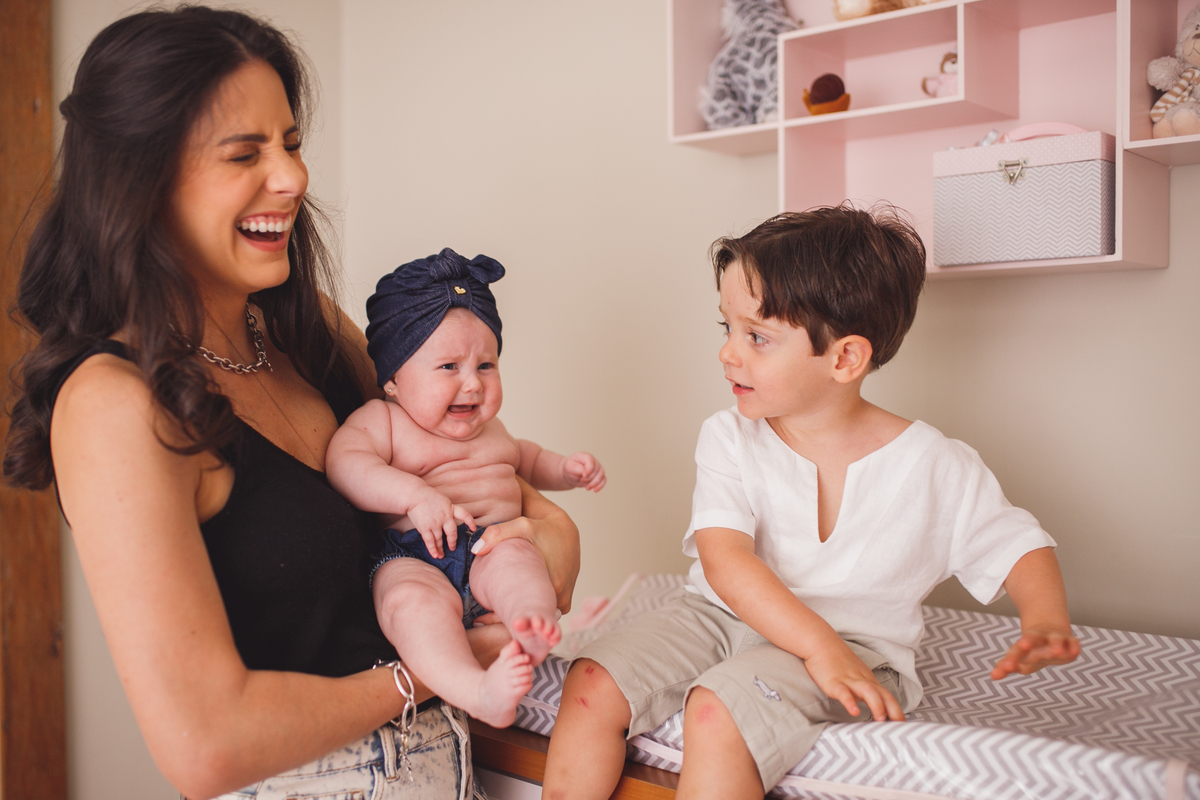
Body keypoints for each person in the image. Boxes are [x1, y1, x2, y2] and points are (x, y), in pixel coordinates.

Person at [1, 7, 579, 799]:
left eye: (291, 142)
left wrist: (527, 558)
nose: (293, 178)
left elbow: (548, 529)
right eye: (246, 153)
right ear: (140, 180)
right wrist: (430, 672)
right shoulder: (114, 404)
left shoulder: (305, 334)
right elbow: (207, 746)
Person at [540, 206, 1082, 800]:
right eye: (727, 328)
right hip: (719, 615)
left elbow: (1016, 545)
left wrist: (1046, 620)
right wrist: (813, 645)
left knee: (717, 711)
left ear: (845, 358)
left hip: (853, 648)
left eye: (757, 337)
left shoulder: (935, 464)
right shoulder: (729, 436)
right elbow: (725, 562)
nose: (728, 353)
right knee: (591, 678)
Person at [326, 248, 605, 728]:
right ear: (393, 379)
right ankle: (475, 689)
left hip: (489, 546)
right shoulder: (384, 422)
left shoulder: (494, 432)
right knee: (408, 605)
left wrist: (566, 470)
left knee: (519, 560)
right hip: (413, 556)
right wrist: (414, 495)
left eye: (486, 366)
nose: (472, 385)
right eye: (449, 367)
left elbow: (529, 459)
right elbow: (344, 465)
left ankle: (529, 624)